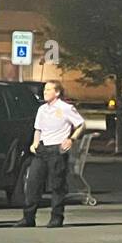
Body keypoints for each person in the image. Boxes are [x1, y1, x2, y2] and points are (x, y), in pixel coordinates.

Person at [16, 80, 85, 228]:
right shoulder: (42, 109)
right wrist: (35, 143)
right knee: (33, 183)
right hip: (42, 149)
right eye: (45, 90)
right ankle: (28, 217)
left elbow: (80, 124)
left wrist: (71, 139)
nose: (45, 92)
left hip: (56, 150)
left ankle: (56, 217)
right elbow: (38, 129)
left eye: (48, 90)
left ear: (57, 92)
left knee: (57, 185)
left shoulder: (66, 108)